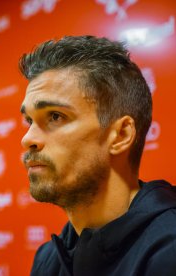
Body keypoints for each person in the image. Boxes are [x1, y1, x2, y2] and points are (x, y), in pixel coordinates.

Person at [19, 35, 176, 276]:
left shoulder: (169, 252)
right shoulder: (47, 258)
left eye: (55, 117)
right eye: (29, 121)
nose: (27, 139)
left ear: (121, 135)